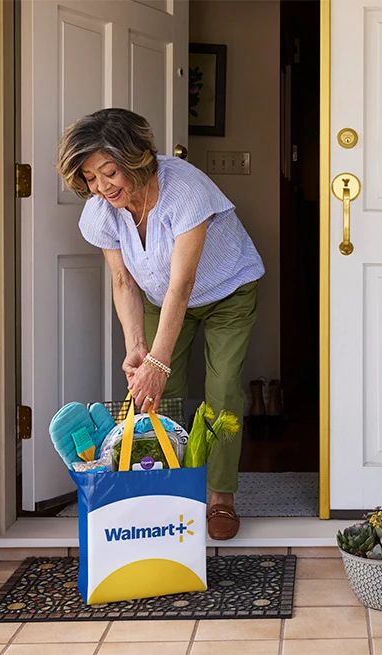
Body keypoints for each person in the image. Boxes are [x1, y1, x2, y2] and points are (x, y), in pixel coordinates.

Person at [57, 108, 264, 540]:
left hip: (227, 292)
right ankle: (155, 490)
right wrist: (138, 348)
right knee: (153, 394)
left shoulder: (184, 191)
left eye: (109, 172)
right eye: (91, 178)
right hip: (159, 298)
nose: (102, 187)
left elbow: (182, 284)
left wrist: (159, 360)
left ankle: (220, 496)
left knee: (221, 389)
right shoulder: (102, 211)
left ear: (134, 158)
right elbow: (121, 279)